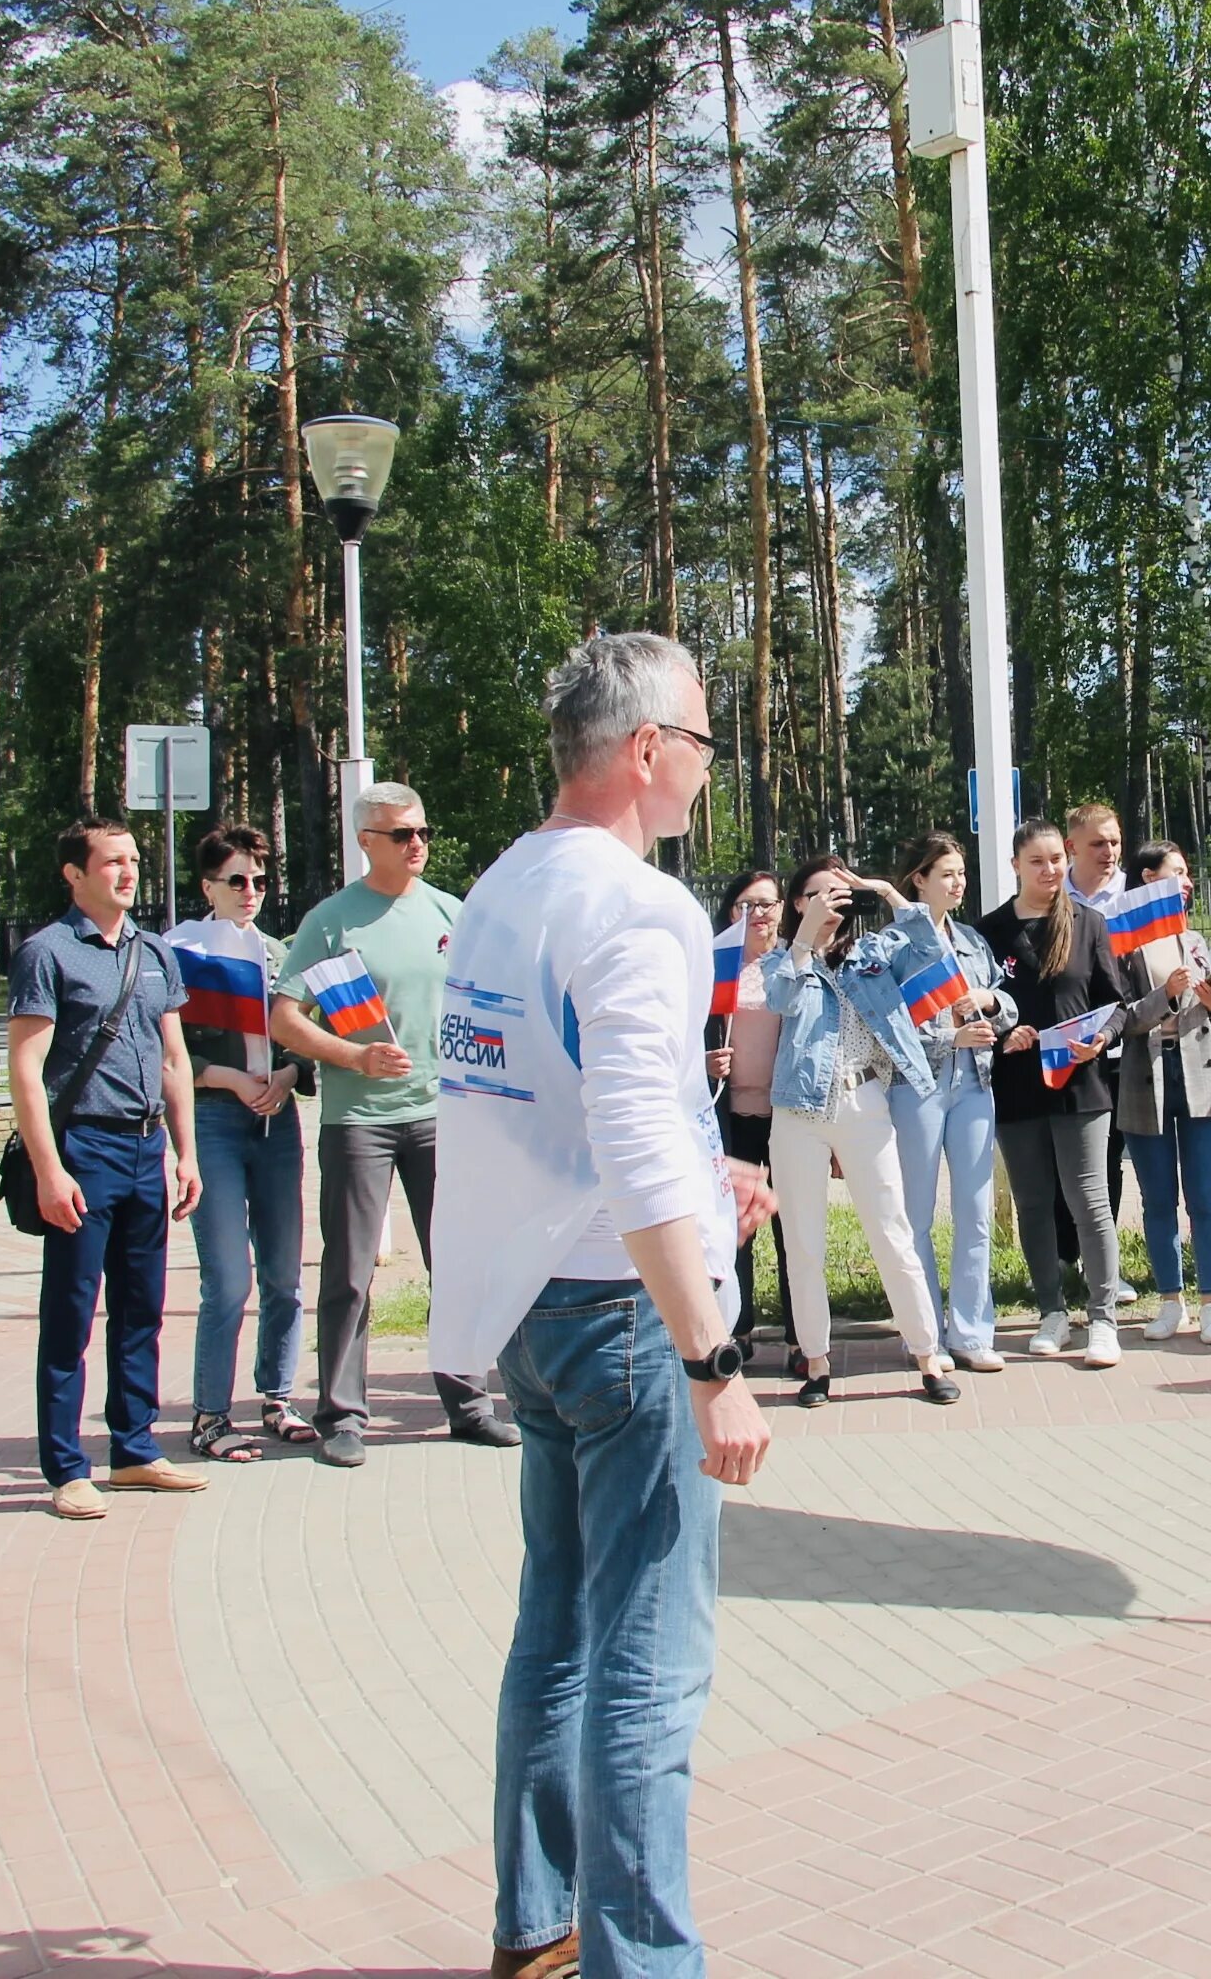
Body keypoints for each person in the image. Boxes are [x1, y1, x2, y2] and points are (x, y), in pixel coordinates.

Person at [430, 632, 773, 1979]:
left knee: (558, 1629)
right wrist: (715, 1356)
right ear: (643, 753)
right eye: (697, 742)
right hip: (631, 1326)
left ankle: (541, 1926)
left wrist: (709, 1177)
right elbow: (630, 1135)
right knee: (646, 1661)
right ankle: (643, 1959)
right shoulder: (640, 907)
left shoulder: (508, 887)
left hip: (540, 1305)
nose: (702, 767)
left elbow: (559, 1112)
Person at [271, 782, 515, 1465]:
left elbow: (489, 1005)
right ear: (365, 842)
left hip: (445, 1119)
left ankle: (469, 1404)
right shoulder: (331, 921)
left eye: (423, 832)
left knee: (457, 1263)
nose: (418, 845)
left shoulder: (450, 912)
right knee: (349, 1272)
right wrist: (353, 1055)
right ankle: (342, 1416)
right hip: (359, 1122)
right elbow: (284, 1017)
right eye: (402, 834)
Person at [8, 818, 207, 1520]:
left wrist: (187, 1153)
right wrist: (49, 1169)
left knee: (141, 1309)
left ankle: (134, 1450)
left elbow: (175, 1060)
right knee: (70, 1313)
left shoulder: (156, 953)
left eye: (132, 859)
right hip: (83, 1151)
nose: (128, 871)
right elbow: (26, 1072)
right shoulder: (48, 953)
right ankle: (66, 1466)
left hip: (146, 1149)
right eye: (112, 861)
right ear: (75, 874)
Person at [762, 856, 963, 1407]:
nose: (833, 902)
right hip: (798, 1111)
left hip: (864, 1098)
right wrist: (802, 939)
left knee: (892, 1232)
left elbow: (931, 952)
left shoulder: (871, 952)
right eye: (819, 893)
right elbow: (779, 999)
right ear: (798, 903)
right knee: (803, 1242)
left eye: (841, 893)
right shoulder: (785, 960)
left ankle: (927, 1355)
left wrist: (888, 894)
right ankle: (817, 1363)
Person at [171, 827, 311, 1461]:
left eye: (258, 880)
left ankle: (278, 1397)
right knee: (229, 1278)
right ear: (208, 887)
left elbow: (302, 1037)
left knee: (284, 1274)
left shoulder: (280, 953)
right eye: (236, 881)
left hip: (276, 1122)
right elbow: (167, 1053)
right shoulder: (180, 951)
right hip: (215, 1121)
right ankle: (210, 1416)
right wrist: (226, 1077)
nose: (250, 892)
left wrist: (287, 1075)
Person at [979, 818, 1130, 1367]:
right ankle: (1051, 1311)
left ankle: (1104, 1318)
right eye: (1036, 862)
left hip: (1081, 1085)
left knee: (1089, 1201)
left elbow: (1116, 1002)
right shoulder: (989, 932)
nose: (1049, 871)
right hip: (1018, 1085)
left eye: (1056, 861)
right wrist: (1001, 1032)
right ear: (1016, 865)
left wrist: (1102, 1038)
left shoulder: (1088, 923)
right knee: (1034, 1202)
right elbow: (973, 1004)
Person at [886, 832, 1014, 1374]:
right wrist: (947, 1038)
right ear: (919, 879)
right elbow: (885, 1025)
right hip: (916, 1089)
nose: (958, 883)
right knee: (914, 1214)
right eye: (946, 874)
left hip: (974, 1089)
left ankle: (970, 1331)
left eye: (962, 873)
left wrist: (989, 1001)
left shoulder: (971, 940)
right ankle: (923, 1333)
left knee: (975, 1212)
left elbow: (1004, 1004)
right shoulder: (892, 945)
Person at [1115, 842, 1211, 1345]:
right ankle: (1170, 1301)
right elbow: (1120, 1016)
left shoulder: (1194, 938)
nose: (1187, 882)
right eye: (1177, 873)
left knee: (1206, 1198)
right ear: (1150, 879)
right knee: (1158, 1199)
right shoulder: (1121, 943)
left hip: (1204, 1076)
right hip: (1146, 1077)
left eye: (1188, 874)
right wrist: (1163, 996)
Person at [1055, 802, 1135, 1288]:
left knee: (1108, 1160)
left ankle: (1100, 1265)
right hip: (1061, 1053)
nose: (1109, 853)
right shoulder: (1051, 898)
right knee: (1057, 1162)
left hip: (1122, 1049)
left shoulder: (1136, 897)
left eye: (1115, 842)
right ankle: (1063, 1257)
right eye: (1098, 844)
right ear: (1071, 848)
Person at [708, 870, 786, 1365]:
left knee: (790, 1227)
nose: (758, 914)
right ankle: (737, 1330)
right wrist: (705, 1059)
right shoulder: (715, 967)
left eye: (767, 904)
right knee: (733, 1229)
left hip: (785, 1116)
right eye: (747, 905)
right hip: (728, 1115)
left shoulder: (795, 965)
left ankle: (802, 1336)